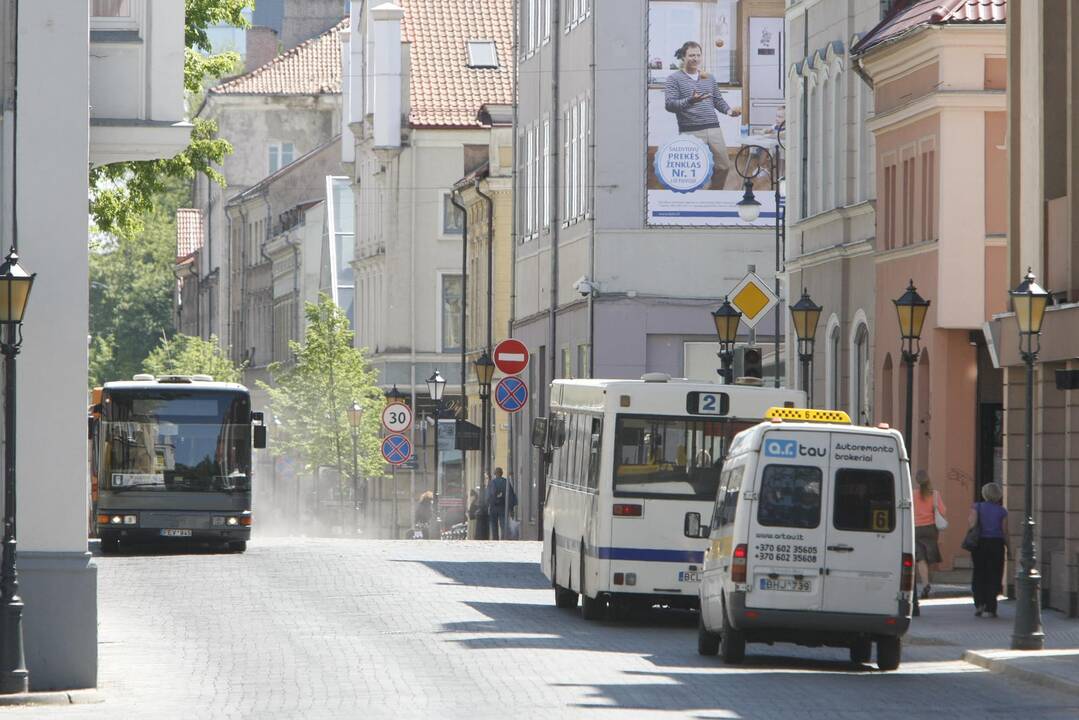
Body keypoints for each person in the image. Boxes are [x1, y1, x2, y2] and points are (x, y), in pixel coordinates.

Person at [663, 41, 742, 190]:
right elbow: (670, 105)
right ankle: (694, 200)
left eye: (698, 55)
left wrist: (729, 111)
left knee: (724, 166)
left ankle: (714, 195)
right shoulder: (674, 79)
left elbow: (717, 100)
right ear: (683, 57)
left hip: (713, 128)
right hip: (690, 130)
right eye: (691, 55)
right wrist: (690, 100)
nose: (695, 58)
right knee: (694, 172)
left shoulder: (709, 78)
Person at [969, 482, 1009, 618]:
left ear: (984, 494)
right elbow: (1004, 531)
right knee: (994, 574)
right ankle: (991, 606)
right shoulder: (1002, 511)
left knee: (979, 573)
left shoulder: (977, 507)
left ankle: (979, 603)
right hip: (996, 544)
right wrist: (1008, 547)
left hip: (980, 543)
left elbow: (972, 524)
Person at [912, 470, 947, 599]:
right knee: (929, 557)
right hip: (931, 529)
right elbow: (943, 511)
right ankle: (926, 580)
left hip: (916, 528)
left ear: (916, 480)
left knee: (920, 557)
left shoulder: (913, 494)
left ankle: (925, 583)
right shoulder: (935, 495)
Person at [486, 467, 517, 541]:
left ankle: (495, 539)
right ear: (501, 473)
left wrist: (488, 505)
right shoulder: (506, 482)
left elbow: (488, 496)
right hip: (503, 507)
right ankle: (503, 539)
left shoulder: (491, 483)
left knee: (494, 526)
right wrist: (511, 509)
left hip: (493, 507)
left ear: (495, 474)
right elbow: (511, 496)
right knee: (503, 524)